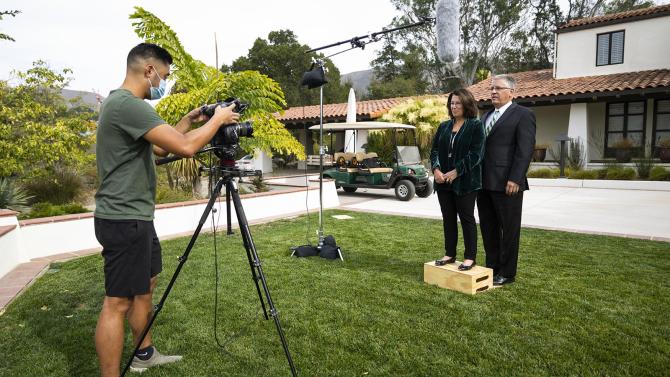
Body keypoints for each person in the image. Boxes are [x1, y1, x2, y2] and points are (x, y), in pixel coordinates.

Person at [94, 43, 239, 376]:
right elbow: (186, 148)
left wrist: (189, 119)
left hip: (135, 216)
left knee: (146, 283)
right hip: (124, 217)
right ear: (149, 70)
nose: (164, 82)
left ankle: (144, 355)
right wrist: (217, 120)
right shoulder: (128, 105)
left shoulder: (124, 105)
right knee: (117, 303)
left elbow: (161, 145)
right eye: (165, 75)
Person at [477, 74, 536, 286]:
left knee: (509, 230)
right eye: (492, 88)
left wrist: (515, 178)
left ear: (511, 92)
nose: (493, 92)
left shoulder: (523, 115)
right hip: (483, 184)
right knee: (488, 228)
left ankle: (508, 273)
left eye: (498, 88)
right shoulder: (485, 116)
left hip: (507, 184)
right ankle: (492, 267)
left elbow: (525, 149)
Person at [430, 88, 485, 271]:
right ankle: (449, 253)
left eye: (458, 103)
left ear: (467, 104)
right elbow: (435, 150)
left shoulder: (475, 126)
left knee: (467, 218)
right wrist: (436, 169)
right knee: (448, 219)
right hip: (442, 182)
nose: (454, 106)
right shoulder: (444, 126)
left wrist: (456, 171)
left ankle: (470, 257)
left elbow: (476, 154)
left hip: (466, 182)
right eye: (452, 103)